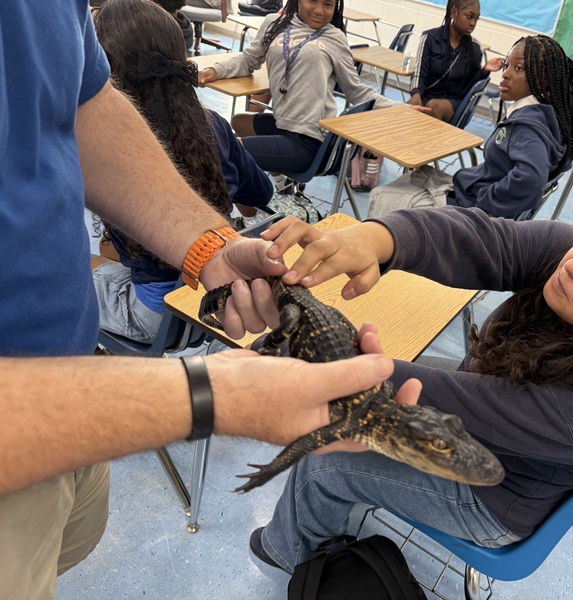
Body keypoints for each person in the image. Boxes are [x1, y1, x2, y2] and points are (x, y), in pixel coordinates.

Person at [0, 2, 419, 598]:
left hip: (74, 372)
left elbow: (82, 100)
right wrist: (207, 397)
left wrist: (209, 248)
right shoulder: (213, 124)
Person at [247, 206, 573, 572]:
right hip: (490, 412)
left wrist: (301, 357)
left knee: (325, 461)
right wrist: (376, 239)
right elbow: (486, 238)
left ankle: (284, 549)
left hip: (493, 498)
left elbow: (455, 404)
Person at [91, 0, 276, 344]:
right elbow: (261, 196)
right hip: (211, 309)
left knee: (64, 271)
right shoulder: (215, 125)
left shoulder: (102, 148)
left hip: (156, 318)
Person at [197, 0, 426, 177]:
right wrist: (216, 70)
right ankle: (274, 180)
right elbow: (248, 60)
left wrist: (400, 109)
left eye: (328, 4)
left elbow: (358, 92)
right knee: (238, 122)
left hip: (309, 140)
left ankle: (252, 205)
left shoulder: (334, 37)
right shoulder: (274, 23)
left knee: (226, 152)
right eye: (312, 1)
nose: (319, 10)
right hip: (282, 124)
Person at [445, 35, 573, 217]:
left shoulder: (525, 127)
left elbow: (531, 178)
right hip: (470, 190)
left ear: (541, 79)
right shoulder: (545, 113)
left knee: (399, 196)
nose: (505, 74)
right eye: (506, 65)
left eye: (518, 68)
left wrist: (484, 205)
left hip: (469, 206)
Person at [409, 0, 504, 122]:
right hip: (427, 96)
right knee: (401, 112)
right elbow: (419, 73)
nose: (473, 23)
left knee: (434, 107)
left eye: (476, 19)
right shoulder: (430, 38)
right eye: (469, 17)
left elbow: (471, 88)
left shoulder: (474, 48)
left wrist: (484, 70)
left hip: (455, 102)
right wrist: (416, 95)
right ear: (454, 12)